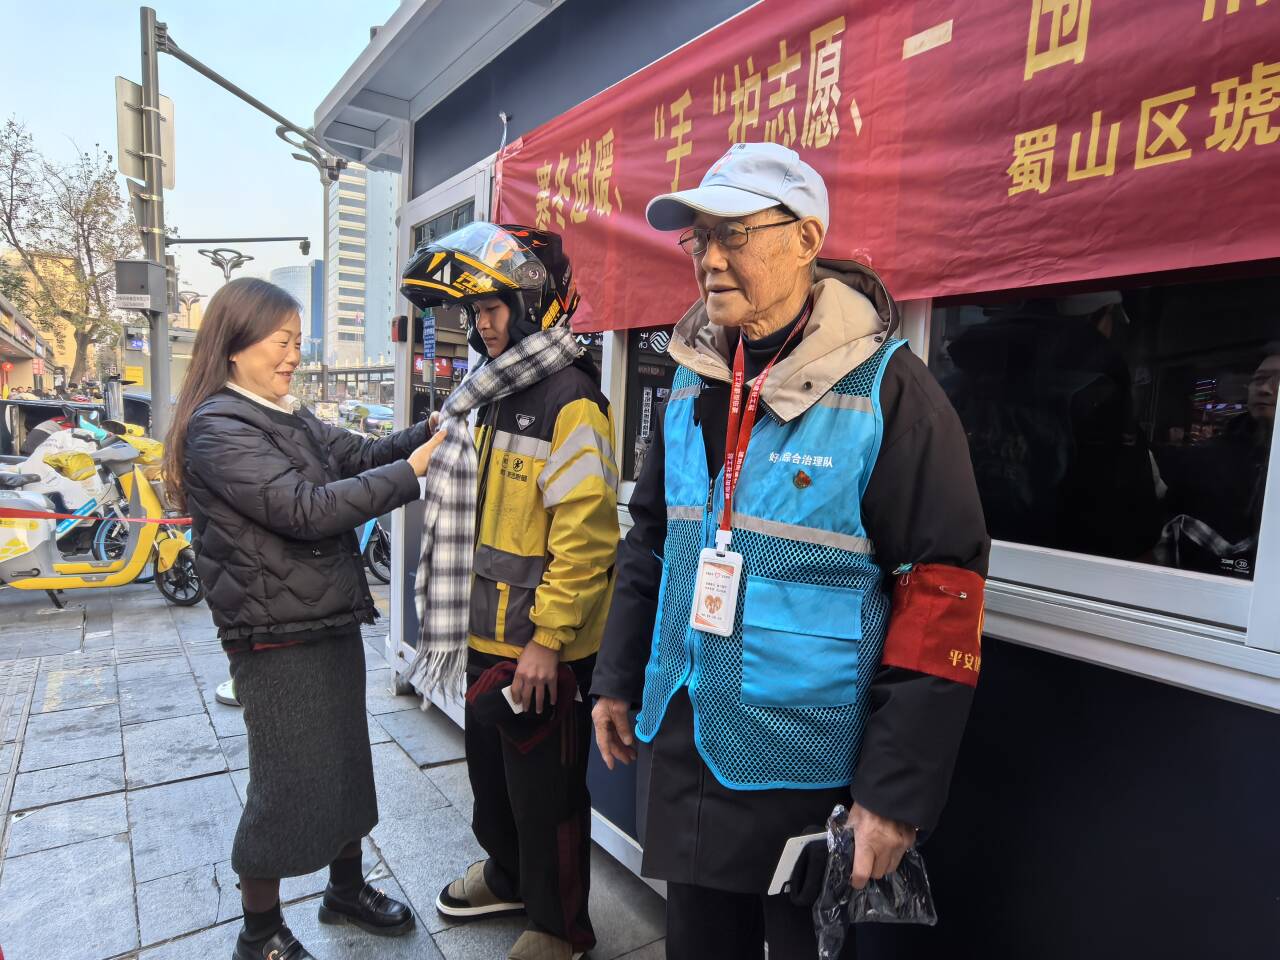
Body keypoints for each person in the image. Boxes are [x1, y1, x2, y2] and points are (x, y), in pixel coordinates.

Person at [590, 142, 991, 959]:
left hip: (807, 761)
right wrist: (617, 677)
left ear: (806, 240)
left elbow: (942, 592)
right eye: (700, 238)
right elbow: (652, 539)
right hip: (687, 735)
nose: (709, 259)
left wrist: (892, 795)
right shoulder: (692, 378)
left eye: (733, 235)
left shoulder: (888, 390)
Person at [164, 277, 444, 960]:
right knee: (285, 783)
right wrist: (413, 471)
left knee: (346, 763)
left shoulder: (284, 414)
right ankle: (259, 932)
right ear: (235, 346)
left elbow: (356, 454)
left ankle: (344, 890)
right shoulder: (218, 426)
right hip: (273, 633)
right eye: (282, 341)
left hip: (324, 614)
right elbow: (306, 509)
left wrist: (427, 432)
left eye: (298, 341)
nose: (294, 355)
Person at [399, 224, 619, 960]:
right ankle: (508, 875)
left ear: (532, 306)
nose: (482, 325)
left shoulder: (571, 398)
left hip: (540, 645)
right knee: (493, 785)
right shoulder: (487, 393)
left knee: (546, 798)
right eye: (474, 312)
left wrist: (548, 641)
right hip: (483, 631)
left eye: (493, 308)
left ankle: (560, 927)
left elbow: (586, 538)